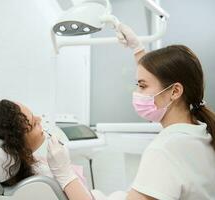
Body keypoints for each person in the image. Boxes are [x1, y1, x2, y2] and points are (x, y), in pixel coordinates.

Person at [46, 23, 215, 200]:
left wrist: (66, 176)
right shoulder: (202, 132)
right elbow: (157, 77)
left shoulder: (165, 149)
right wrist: (137, 49)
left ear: (175, 92)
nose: (137, 94)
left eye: (142, 86)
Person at [0, 99, 86, 187]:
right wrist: (65, 174)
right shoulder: (38, 186)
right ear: (17, 144)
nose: (39, 119)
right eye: (33, 123)